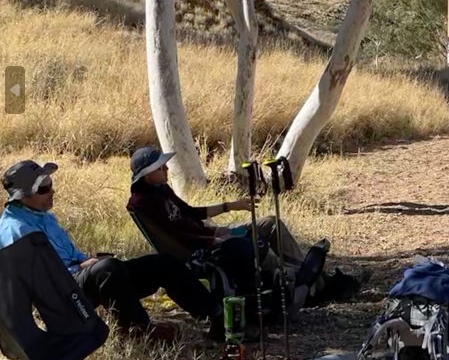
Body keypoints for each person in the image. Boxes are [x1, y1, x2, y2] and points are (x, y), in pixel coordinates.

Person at [1, 159, 223, 342]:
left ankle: (216, 316)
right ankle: (139, 331)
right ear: (23, 195)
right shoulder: (16, 230)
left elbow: (68, 256)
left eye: (50, 183)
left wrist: (86, 262)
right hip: (61, 296)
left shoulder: (42, 214)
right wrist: (83, 267)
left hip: (76, 279)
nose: (52, 190)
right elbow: (39, 282)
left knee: (162, 263)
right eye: (43, 188)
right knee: (107, 269)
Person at [126, 146, 365, 303]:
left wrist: (231, 206)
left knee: (270, 224)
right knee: (258, 248)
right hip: (204, 249)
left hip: (210, 235)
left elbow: (190, 212)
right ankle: (316, 286)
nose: (166, 168)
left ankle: (311, 275)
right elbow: (178, 239)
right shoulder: (144, 203)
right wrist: (219, 238)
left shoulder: (161, 189)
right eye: (161, 167)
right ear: (147, 175)